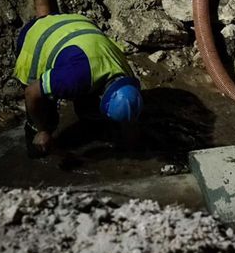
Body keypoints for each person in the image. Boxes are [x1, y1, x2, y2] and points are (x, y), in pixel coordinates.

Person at [14, 13, 143, 156]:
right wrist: (41, 130)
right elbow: (31, 93)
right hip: (37, 35)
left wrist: (132, 142)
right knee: (46, 121)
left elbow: (129, 115)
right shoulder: (72, 78)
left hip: (76, 25)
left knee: (93, 116)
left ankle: (87, 121)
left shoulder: (126, 74)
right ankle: (37, 150)